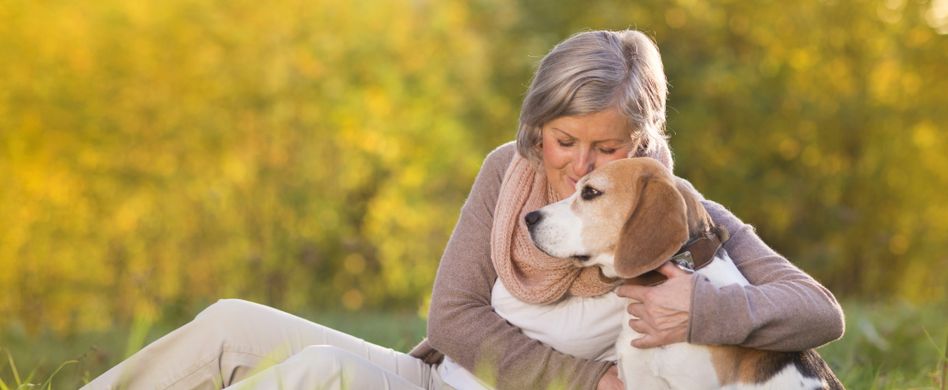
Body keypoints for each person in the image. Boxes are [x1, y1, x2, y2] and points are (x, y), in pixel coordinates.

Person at [82, 29, 844, 390]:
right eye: (561, 140)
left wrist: (696, 314)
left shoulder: (680, 221)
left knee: (314, 373)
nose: (577, 165)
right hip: (441, 374)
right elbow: (452, 318)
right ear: (536, 131)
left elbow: (817, 314)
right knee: (226, 323)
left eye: (606, 149)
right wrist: (588, 384)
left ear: (640, 142)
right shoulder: (505, 176)